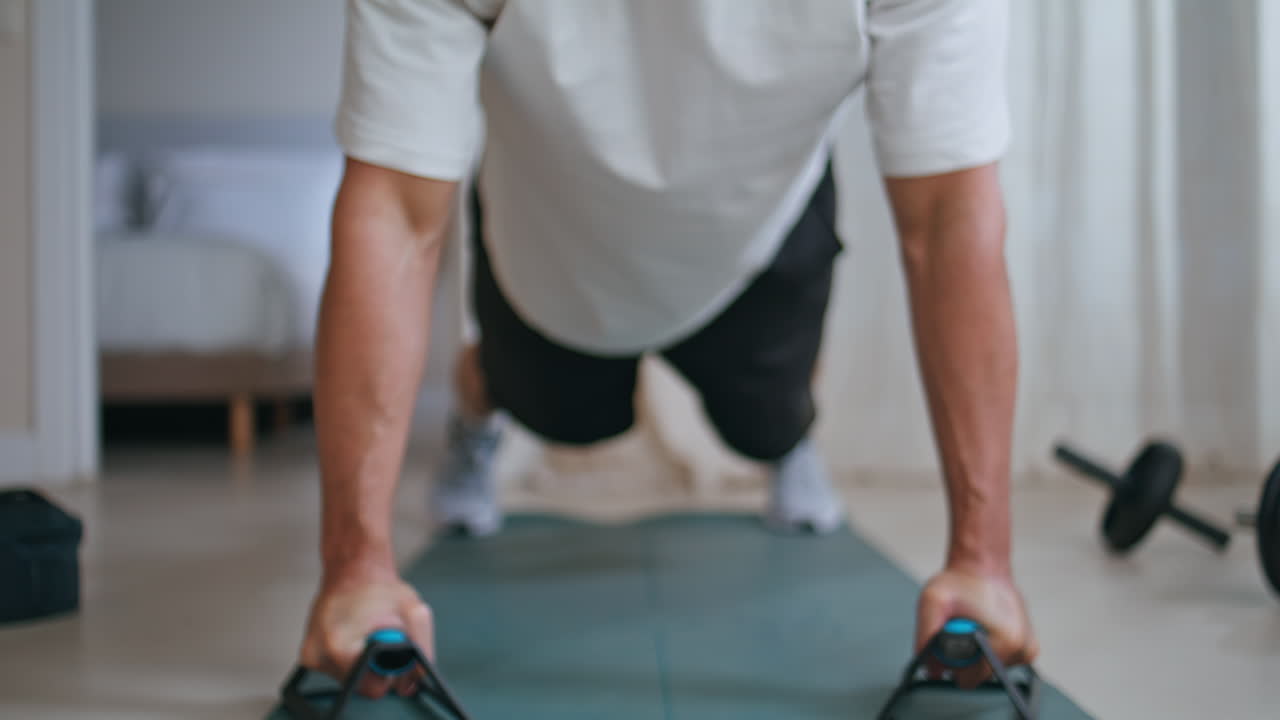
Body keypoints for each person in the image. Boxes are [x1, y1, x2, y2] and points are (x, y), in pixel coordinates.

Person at [300, 0, 1038, 698]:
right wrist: (355, 567)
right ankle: (478, 414)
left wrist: (983, 562)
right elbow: (394, 210)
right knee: (559, 415)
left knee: (770, 423)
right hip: (559, 246)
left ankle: (790, 441)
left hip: (755, 232)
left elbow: (946, 216)